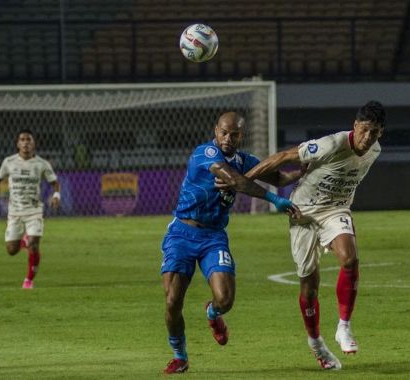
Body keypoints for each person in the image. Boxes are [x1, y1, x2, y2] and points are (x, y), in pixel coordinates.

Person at [241, 100, 386, 370]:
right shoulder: (332, 144)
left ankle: (344, 326)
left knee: (350, 259)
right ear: (355, 126)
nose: (368, 138)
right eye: (364, 130)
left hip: (336, 209)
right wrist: (243, 179)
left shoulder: (375, 150)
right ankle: (316, 343)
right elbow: (283, 157)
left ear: (381, 133)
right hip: (302, 212)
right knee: (309, 286)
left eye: (374, 132)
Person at [161, 112, 302, 374]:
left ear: (241, 136)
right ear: (215, 131)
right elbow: (235, 180)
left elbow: (279, 178)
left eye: (234, 134)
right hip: (182, 233)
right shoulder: (206, 154)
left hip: (213, 237)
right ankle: (180, 356)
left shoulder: (244, 161)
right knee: (172, 302)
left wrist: (303, 171)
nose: (227, 138)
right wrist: (275, 201)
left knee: (225, 299)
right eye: (223, 132)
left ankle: (213, 314)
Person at [0, 129, 60, 289]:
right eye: (22, 139)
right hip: (15, 212)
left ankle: (29, 280)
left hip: (34, 210)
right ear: (18, 144)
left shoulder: (42, 164)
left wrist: (56, 196)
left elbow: (55, 183)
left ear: (34, 143)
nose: (25, 142)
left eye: (28, 140)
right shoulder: (9, 162)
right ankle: (24, 242)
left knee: (34, 243)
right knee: (11, 250)